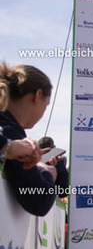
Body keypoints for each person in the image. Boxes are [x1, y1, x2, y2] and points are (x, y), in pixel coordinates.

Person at [0, 61, 67, 216]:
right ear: (38, 95)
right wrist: (47, 172)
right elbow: (40, 201)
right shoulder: (10, 131)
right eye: (46, 105)